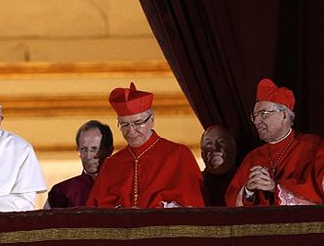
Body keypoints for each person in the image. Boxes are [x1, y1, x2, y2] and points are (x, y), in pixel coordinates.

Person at [87, 82, 204, 208]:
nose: (131, 132)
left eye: (138, 123)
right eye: (124, 125)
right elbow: (95, 212)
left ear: (152, 120)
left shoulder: (178, 154)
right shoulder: (111, 164)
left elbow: (190, 205)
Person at [226, 78, 323, 206]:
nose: (256, 121)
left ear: (284, 116)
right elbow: (232, 203)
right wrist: (249, 190)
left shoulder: (313, 146)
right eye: (254, 116)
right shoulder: (252, 158)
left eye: (263, 114)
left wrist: (275, 187)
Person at [46, 120, 113, 208]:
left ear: (109, 150)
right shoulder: (61, 192)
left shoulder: (122, 188)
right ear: (78, 151)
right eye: (83, 149)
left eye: (94, 149)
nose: (88, 156)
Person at [200, 125, 237, 206]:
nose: (215, 148)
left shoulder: (245, 180)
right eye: (209, 143)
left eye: (222, 142)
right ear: (202, 154)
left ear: (234, 149)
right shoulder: (195, 184)